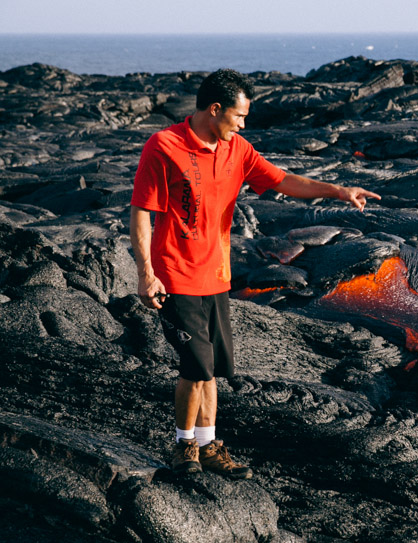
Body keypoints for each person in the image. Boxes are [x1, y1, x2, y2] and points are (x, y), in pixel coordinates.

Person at [130, 68, 381, 478]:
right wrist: (145, 273)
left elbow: (283, 181)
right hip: (175, 275)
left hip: (217, 276)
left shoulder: (238, 150)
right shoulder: (164, 146)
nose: (244, 124)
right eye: (239, 116)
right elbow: (142, 212)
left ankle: (208, 446)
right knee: (195, 366)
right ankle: (183, 447)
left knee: (210, 369)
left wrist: (339, 191)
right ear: (215, 109)